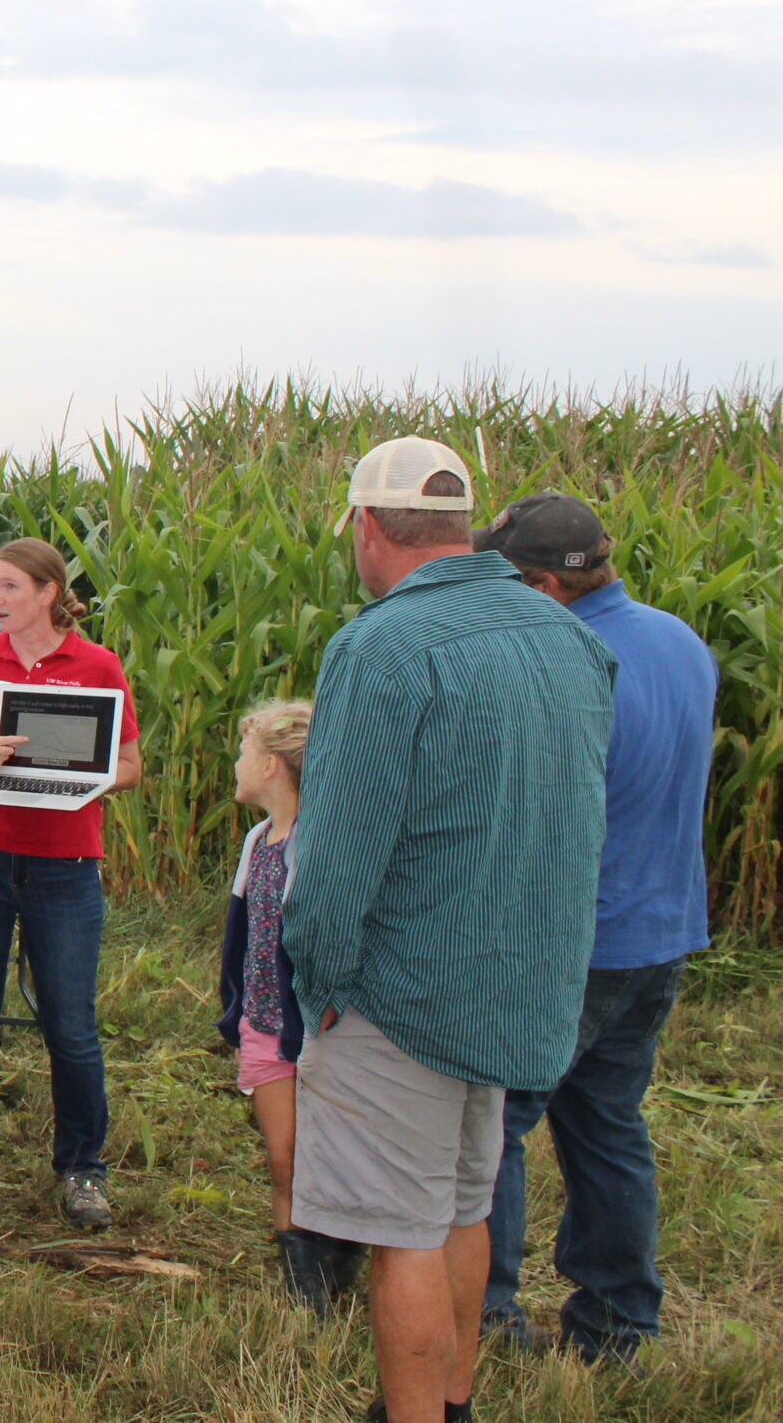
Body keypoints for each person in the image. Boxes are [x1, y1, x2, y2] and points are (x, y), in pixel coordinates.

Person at [284, 437, 615, 1423]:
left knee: (401, 1233)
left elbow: (337, 859)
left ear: (367, 526)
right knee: (463, 1206)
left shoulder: (379, 647)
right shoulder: (572, 639)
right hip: (517, 988)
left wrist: (320, 976)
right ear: (463, 528)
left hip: (401, 996)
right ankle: (455, 1398)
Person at [474, 493, 717, 1362]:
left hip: (578, 936)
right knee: (608, 1123)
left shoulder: (570, 660)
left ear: (542, 585)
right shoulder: (678, 639)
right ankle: (618, 1321)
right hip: (662, 927)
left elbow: (535, 812)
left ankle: (487, 1314)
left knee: (491, 1123)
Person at [0, 537, 141, 1229]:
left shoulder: (97, 664)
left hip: (64, 865)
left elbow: (130, 763)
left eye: (11, 586)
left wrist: (79, 776)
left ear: (48, 591)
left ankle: (82, 1169)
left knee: (71, 1025)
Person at [214, 699, 365, 1310]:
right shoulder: (258, 840)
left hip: (324, 1031)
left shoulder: (324, 845)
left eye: (247, 751)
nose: (238, 762)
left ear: (273, 766)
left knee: (333, 1150)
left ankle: (343, 1258)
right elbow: (241, 932)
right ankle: (307, 1291)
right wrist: (237, 1008)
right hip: (266, 1024)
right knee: (285, 1155)